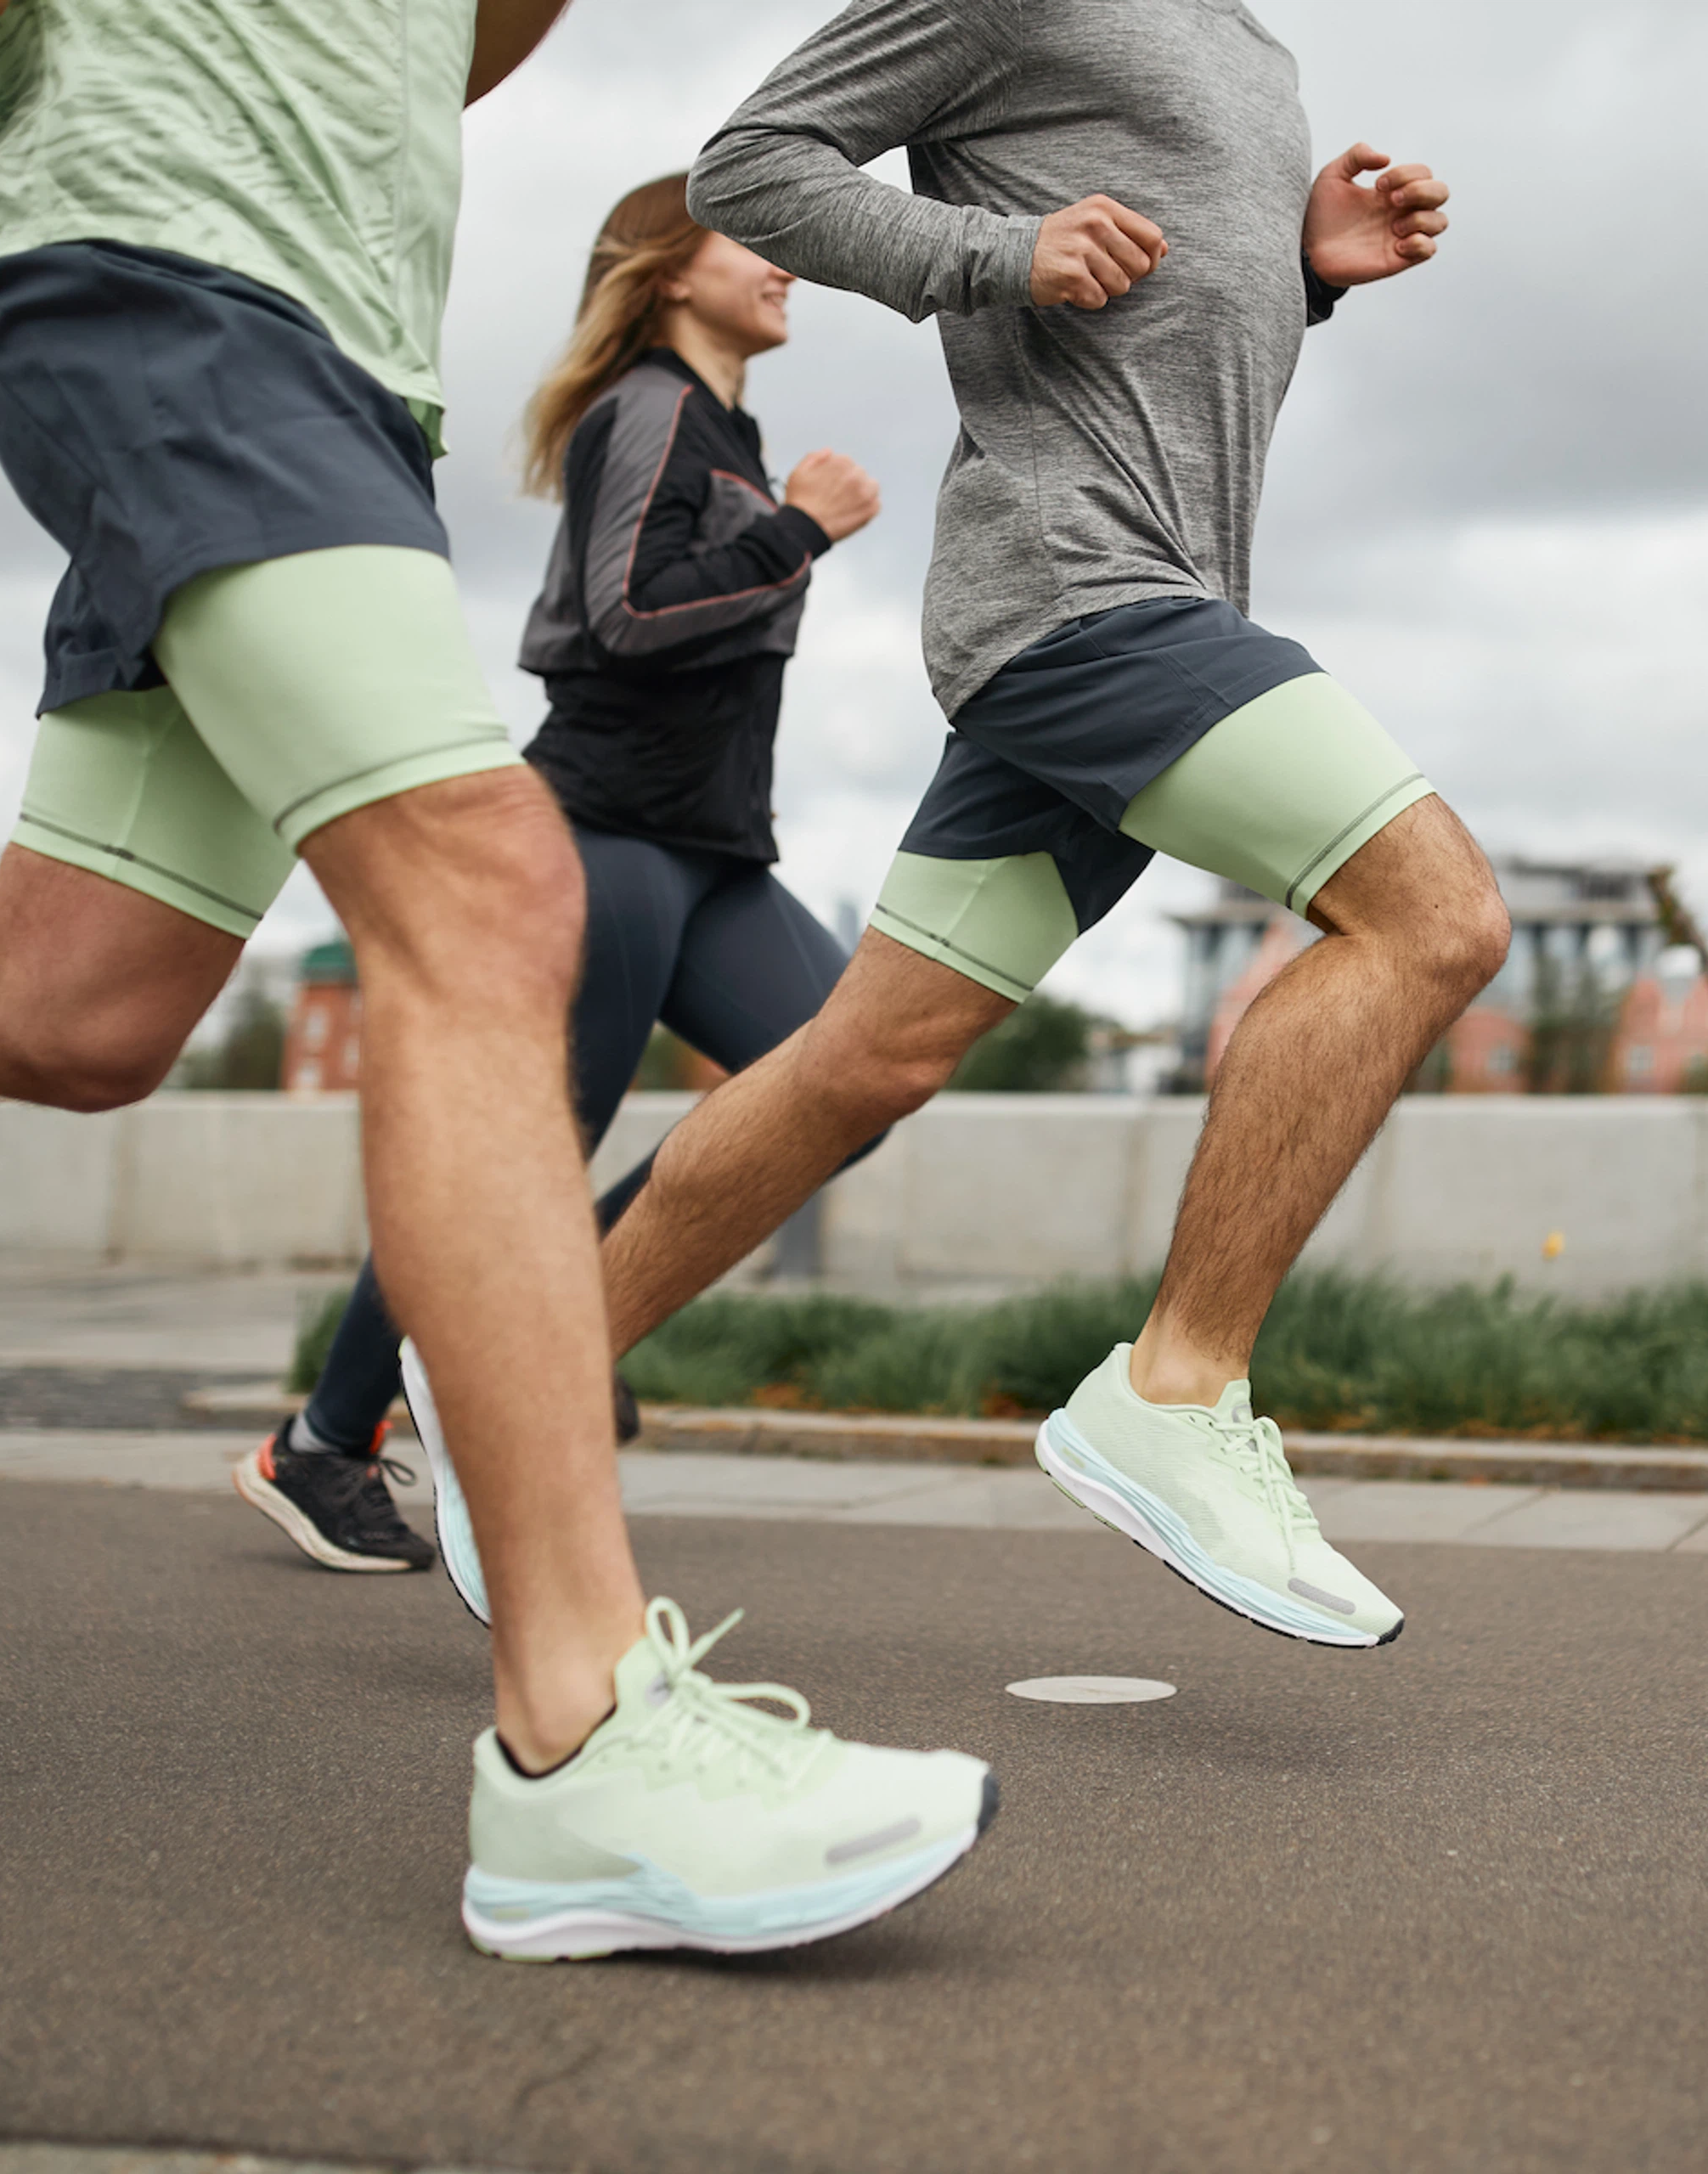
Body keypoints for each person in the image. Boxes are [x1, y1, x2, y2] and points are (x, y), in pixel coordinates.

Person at [0, 0, 993, 1960]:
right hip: (165, 266)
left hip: (334, 362)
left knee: (61, 1008)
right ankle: (580, 1746)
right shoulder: (661, 416)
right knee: (490, 893)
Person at [426, 0, 1511, 1651]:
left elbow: (1170, 337)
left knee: (864, 1060)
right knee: (1435, 917)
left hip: (1134, 602)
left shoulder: (1257, 57)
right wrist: (1000, 253)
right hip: (1080, 599)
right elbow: (749, 167)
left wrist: (1305, 274)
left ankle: (525, 1367)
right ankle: (1177, 1386)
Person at [238, 174, 883, 1609]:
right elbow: (627, 616)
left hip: (714, 849)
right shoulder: (646, 407)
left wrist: (777, 518)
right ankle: (323, 1444)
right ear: (668, 273)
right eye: (751, 243)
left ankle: (567, 1322)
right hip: (603, 833)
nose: (784, 265)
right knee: (521, 1155)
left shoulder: (721, 425)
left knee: (844, 1075)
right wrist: (798, 532)